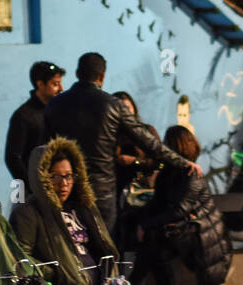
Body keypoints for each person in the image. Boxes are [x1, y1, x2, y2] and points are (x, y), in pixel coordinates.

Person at [10, 136, 225, 285]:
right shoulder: (29, 212)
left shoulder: (81, 208)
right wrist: (58, 272)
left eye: (69, 176)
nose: (64, 183)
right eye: (55, 176)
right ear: (41, 177)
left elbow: (104, 249)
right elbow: (20, 262)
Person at [44, 52, 200, 234]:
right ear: (102, 77)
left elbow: (44, 151)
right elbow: (148, 141)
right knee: (106, 250)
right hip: (102, 193)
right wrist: (182, 162)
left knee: (71, 249)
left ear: (77, 73)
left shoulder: (55, 105)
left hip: (66, 189)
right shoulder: (113, 105)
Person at [131, 125, 232, 285]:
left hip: (201, 235)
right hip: (179, 230)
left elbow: (179, 210)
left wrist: (147, 224)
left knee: (154, 246)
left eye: (167, 145)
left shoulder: (190, 175)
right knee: (156, 249)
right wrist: (142, 222)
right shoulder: (169, 173)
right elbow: (157, 204)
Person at [4, 61, 64, 187]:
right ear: (40, 84)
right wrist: (33, 186)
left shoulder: (58, 112)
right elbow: (12, 158)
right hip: (29, 189)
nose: (61, 89)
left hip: (55, 186)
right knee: (20, 206)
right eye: (55, 84)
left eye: (60, 83)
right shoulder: (23, 116)